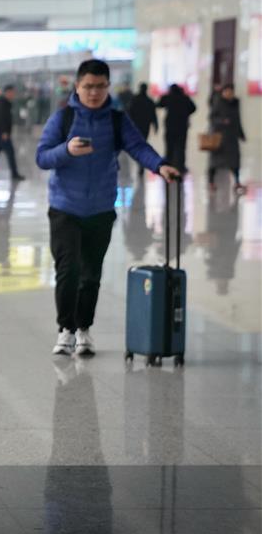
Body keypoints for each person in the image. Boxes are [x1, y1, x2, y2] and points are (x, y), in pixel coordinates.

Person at [36, 59, 179, 356]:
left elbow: (138, 147)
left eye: (100, 86)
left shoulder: (116, 120)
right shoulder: (62, 119)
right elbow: (42, 157)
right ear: (77, 86)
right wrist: (67, 150)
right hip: (65, 207)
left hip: (100, 209)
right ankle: (65, 329)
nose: (94, 92)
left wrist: (160, 166)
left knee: (91, 273)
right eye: (88, 86)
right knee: (68, 270)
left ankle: (84, 329)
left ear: (107, 87)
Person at [207, 84, 246, 194]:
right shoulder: (218, 102)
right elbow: (211, 117)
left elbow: (238, 119)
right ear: (223, 92)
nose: (229, 94)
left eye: (231, 91)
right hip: (219, 137)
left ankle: (237, 182)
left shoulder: (235, 103)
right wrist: (222, 121)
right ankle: (211, 182)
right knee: (214, 162)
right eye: (227, 91)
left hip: (232, 137)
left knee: (235, 161)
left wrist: (241, 134)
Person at [156, 83, 196, 173]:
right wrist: (186, 113)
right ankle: (181, 166)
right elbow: (193, 108)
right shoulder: (185, 98)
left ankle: (168, 164)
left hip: (170, 126)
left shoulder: (168, 97)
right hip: (182, 126)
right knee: (181, 147)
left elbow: (159, 104)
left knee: (169, 146)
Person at [127, 83, 159, 174]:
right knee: (143, 142)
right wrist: (155, 126)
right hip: (145, 125)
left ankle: (139, 161)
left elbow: (129, 113)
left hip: (136, 125)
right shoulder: (149, 101)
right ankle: (140, 163)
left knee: (138, 143)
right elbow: (153, 115)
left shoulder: (134, 100)